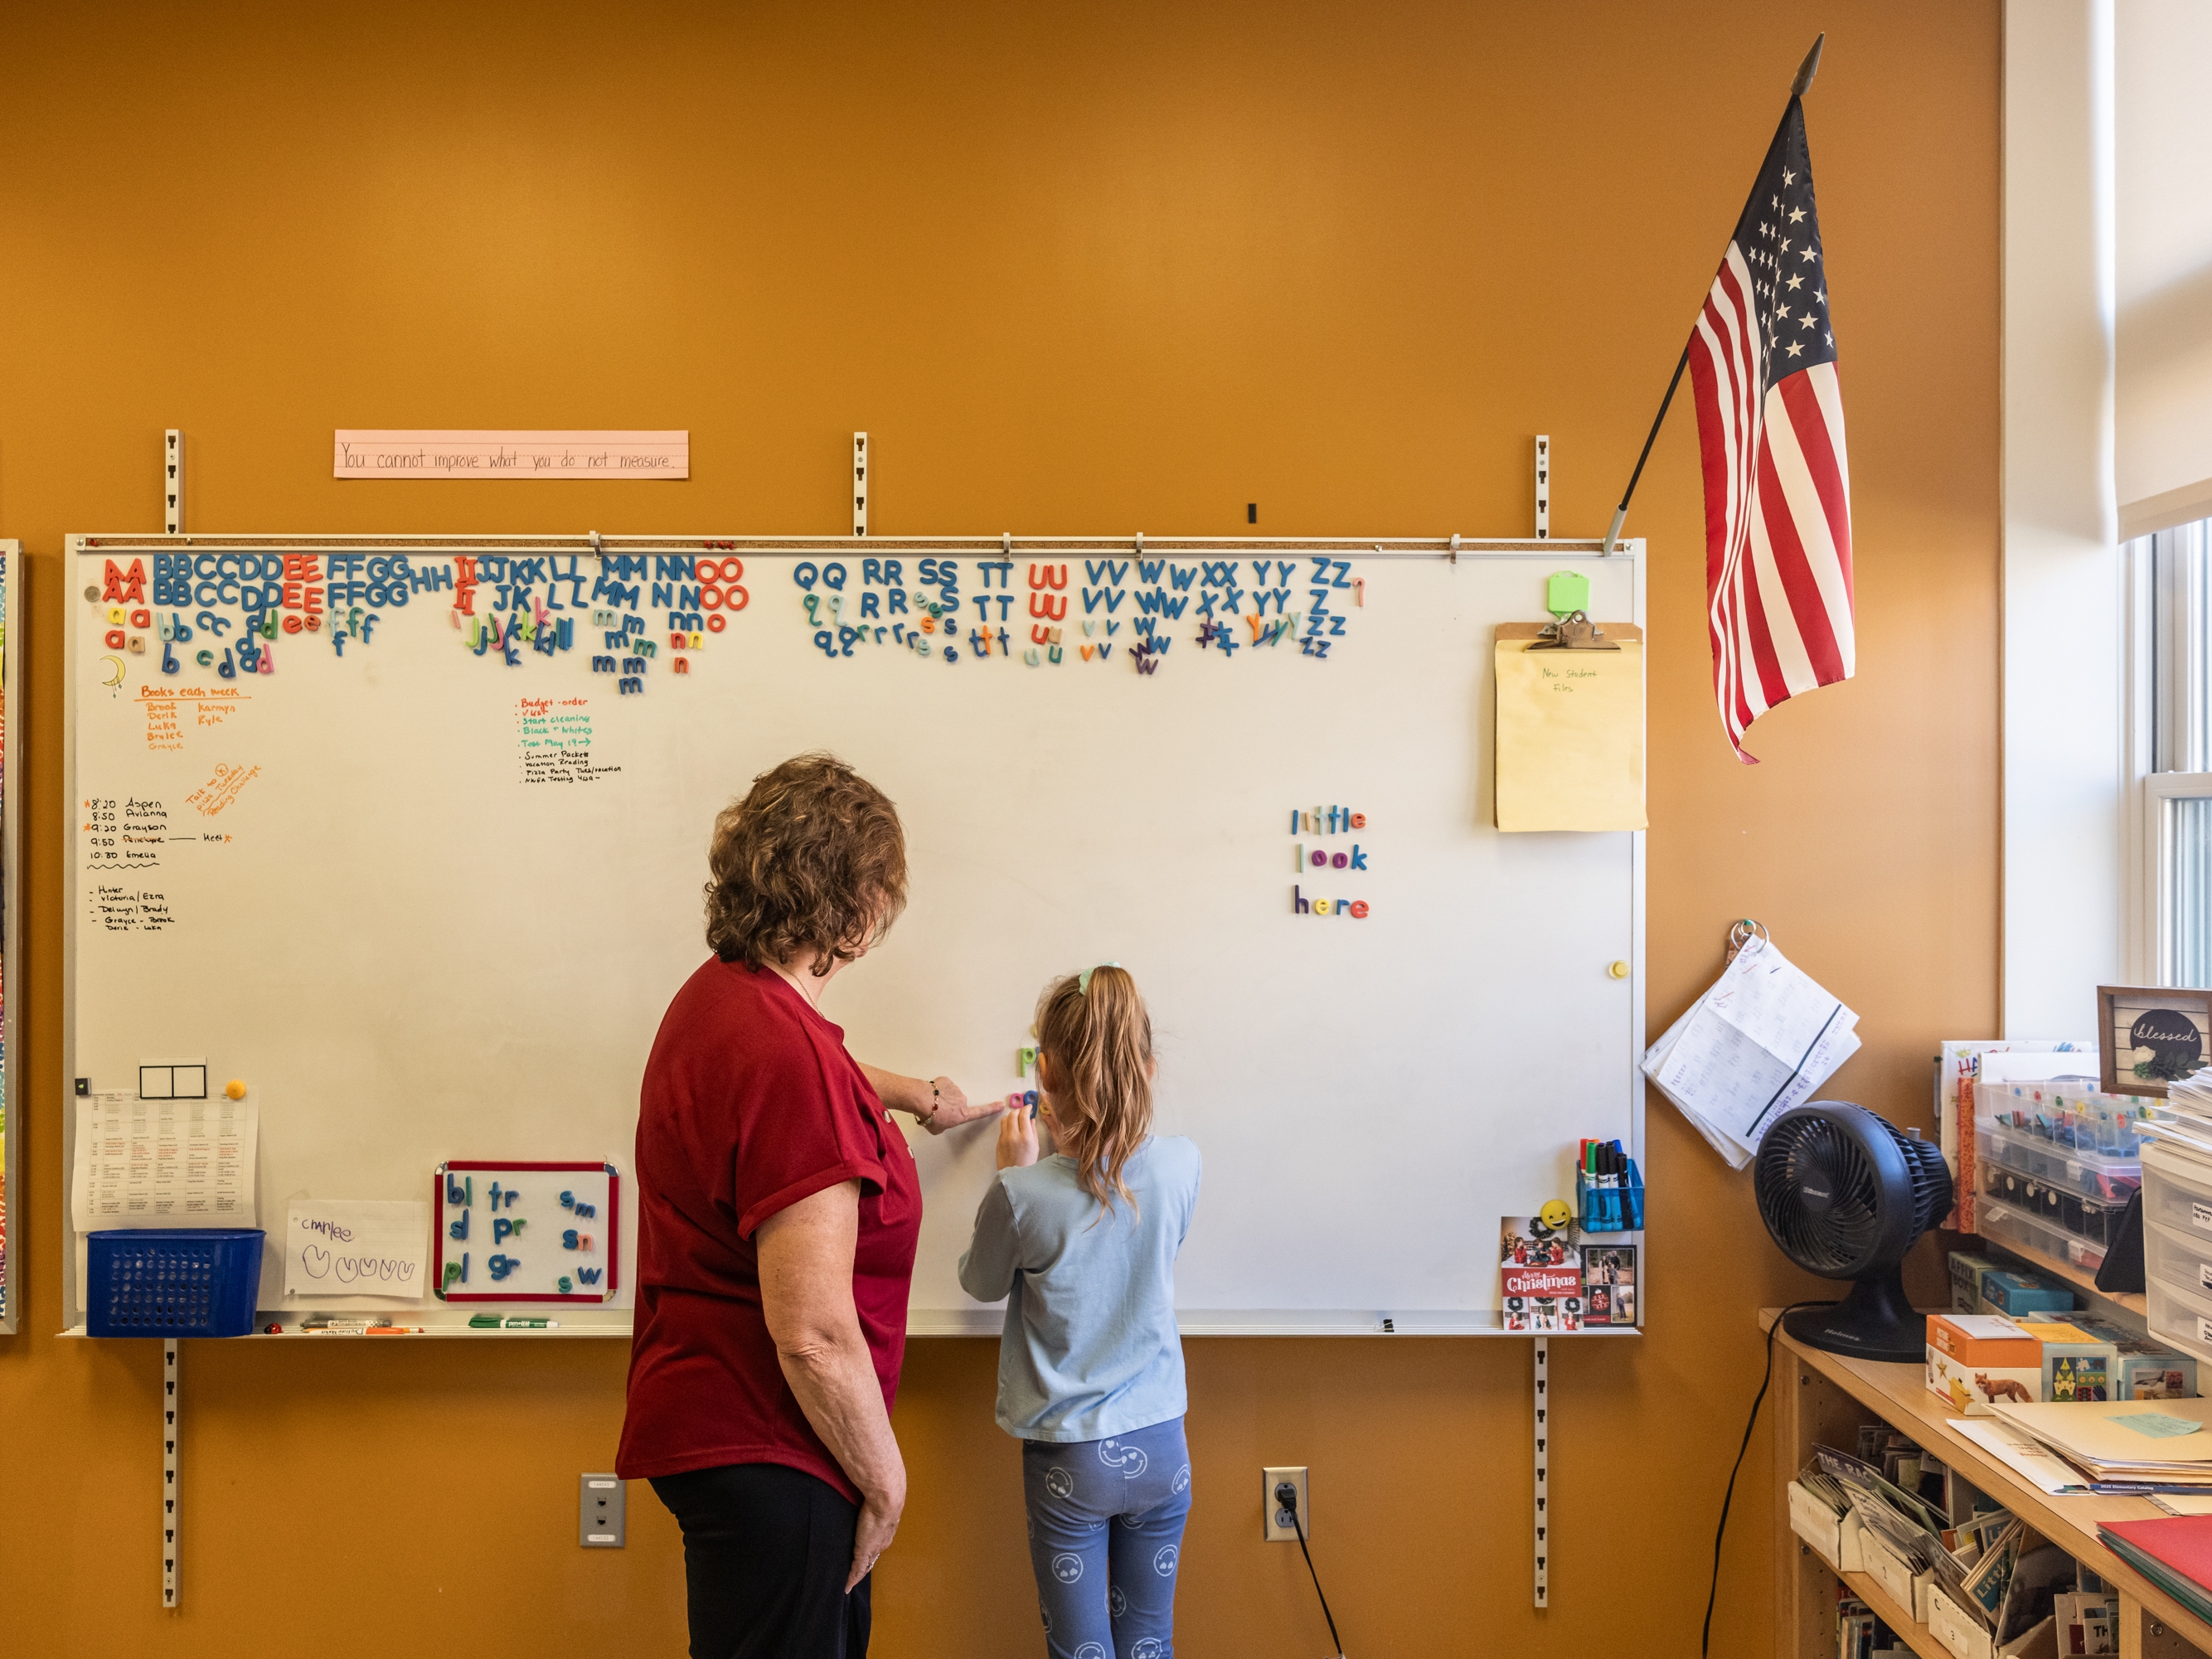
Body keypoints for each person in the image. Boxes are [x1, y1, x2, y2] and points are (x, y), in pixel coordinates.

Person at [617, 753, 998, 1659]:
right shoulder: (788, 1062)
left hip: (718, 1429)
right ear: (858, 915)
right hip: (777, 1441)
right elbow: (814, 1334)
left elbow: (799, 1072)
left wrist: (911, 1095)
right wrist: (886, 1481)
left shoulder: (722, 1003)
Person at [958, 964, 1203, 1659]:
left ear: (1048, 1075)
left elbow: (980, 1282)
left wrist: (1011, 1169)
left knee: (1080, 1650)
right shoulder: (1183, 1165)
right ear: (1149, 1070)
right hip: (1163, 1447)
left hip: (1073, 1457)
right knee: (1150, 1640)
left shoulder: (1022, 1193)